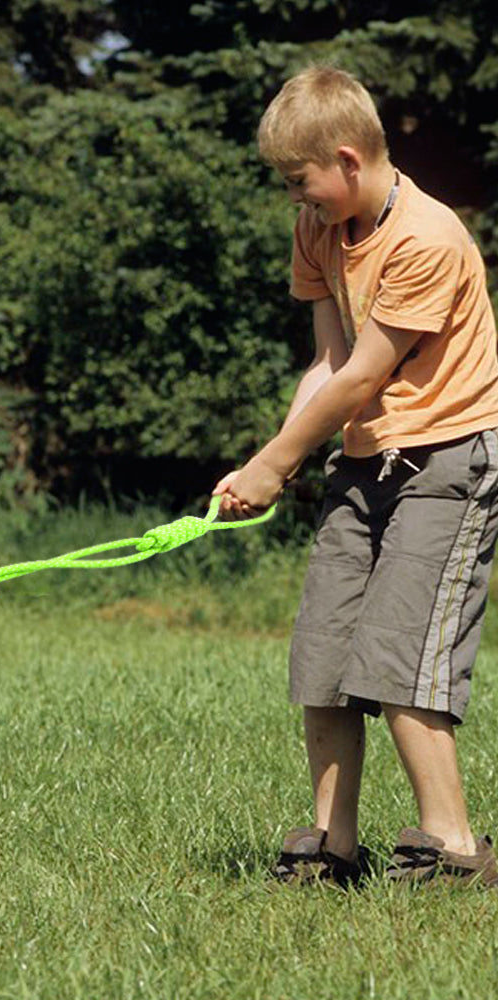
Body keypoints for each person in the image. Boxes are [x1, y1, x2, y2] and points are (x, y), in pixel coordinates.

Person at [214, 64, 498, 886]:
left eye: (302, 183)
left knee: (401, 658)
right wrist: (260, 463)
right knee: (327, 658)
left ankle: (452, 849)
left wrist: (277, 462)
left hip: (449, 460)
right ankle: (335, 847)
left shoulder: (428, 238)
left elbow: (365, 374)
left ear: (347, 159)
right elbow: (328, 362)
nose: (296, 202)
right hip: (365, 460)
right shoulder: (319, 231)